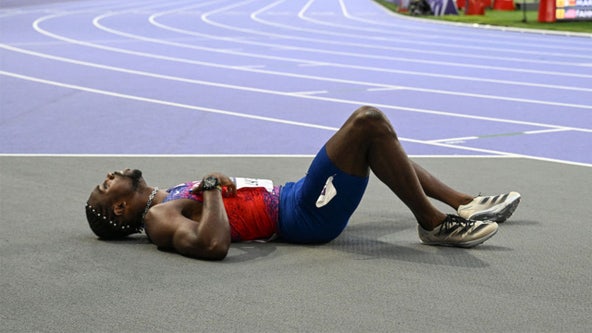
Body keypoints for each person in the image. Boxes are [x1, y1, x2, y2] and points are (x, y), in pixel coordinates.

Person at [85, 106, 521, 260]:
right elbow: (212, 246)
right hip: (302, 216)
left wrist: (217, 188)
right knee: (367, 123)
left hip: (291, 196)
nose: (109, 177)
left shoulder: (168, 198)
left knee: (372, 139)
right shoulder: (159, 217)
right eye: (105, 188)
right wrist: (214, 188)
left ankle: (464, 203)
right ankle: (432, 223)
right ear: (121, 210)